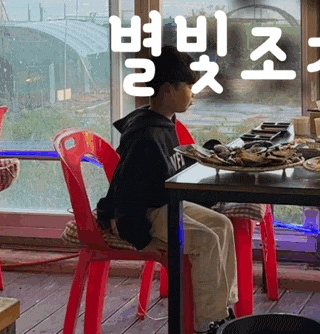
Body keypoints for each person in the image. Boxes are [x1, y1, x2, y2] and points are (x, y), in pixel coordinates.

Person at [96, 45, 237, 334]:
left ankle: (223, 308)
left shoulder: (164, 123)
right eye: (189, 87)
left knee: (223, 225)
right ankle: (209, 323)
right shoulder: (145, 137)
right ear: (169, 89)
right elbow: (126, 193)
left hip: (164, 204)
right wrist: (140, 238)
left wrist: (209, 149)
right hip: (145, 214)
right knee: (207, 240)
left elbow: (175, 165)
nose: (193, 94)